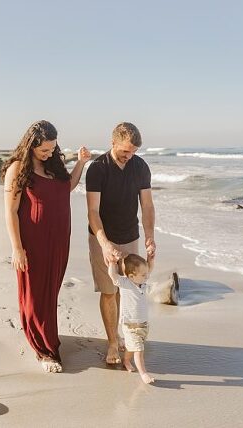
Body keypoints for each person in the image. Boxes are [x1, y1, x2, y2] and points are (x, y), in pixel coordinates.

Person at [2, 120, 91, 372]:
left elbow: (67, 187)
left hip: (59, 241)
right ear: (31, 145)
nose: (49, 153)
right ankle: (44, 350)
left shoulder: (53, 165)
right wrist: (17, 248)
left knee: (49, 294)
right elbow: (10, 211)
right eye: (44, 150)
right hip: (33, 242)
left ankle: (46, 334)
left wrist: (81, 163)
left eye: (52, 149)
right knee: (34, 294)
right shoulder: (18, 168)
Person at [85, 122, 156, 365]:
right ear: (112, 143)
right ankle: (113, 342)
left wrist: (149, 236)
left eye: (134, 151)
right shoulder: (97, 168)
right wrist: (104, 243)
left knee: (127, 291)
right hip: (102, 236)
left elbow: (147, 205)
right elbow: (92, 211)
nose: (129, 156)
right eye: (125, 151)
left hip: (130, 236)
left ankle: (127, 336)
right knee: (109, 291)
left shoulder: (140, 166)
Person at [108, 252, 156, 384]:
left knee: (131, 347)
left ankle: (126, 361)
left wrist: (150, 260)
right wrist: (112, 263)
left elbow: (149, 269)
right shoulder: (126, 284)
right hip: (131, 326)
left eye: (146, 274)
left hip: (144, 325)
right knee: (139, 350)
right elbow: (113, 277)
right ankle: (144, 374)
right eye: (143, 275)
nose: (147, 276)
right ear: (131, 276)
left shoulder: (142, 283)